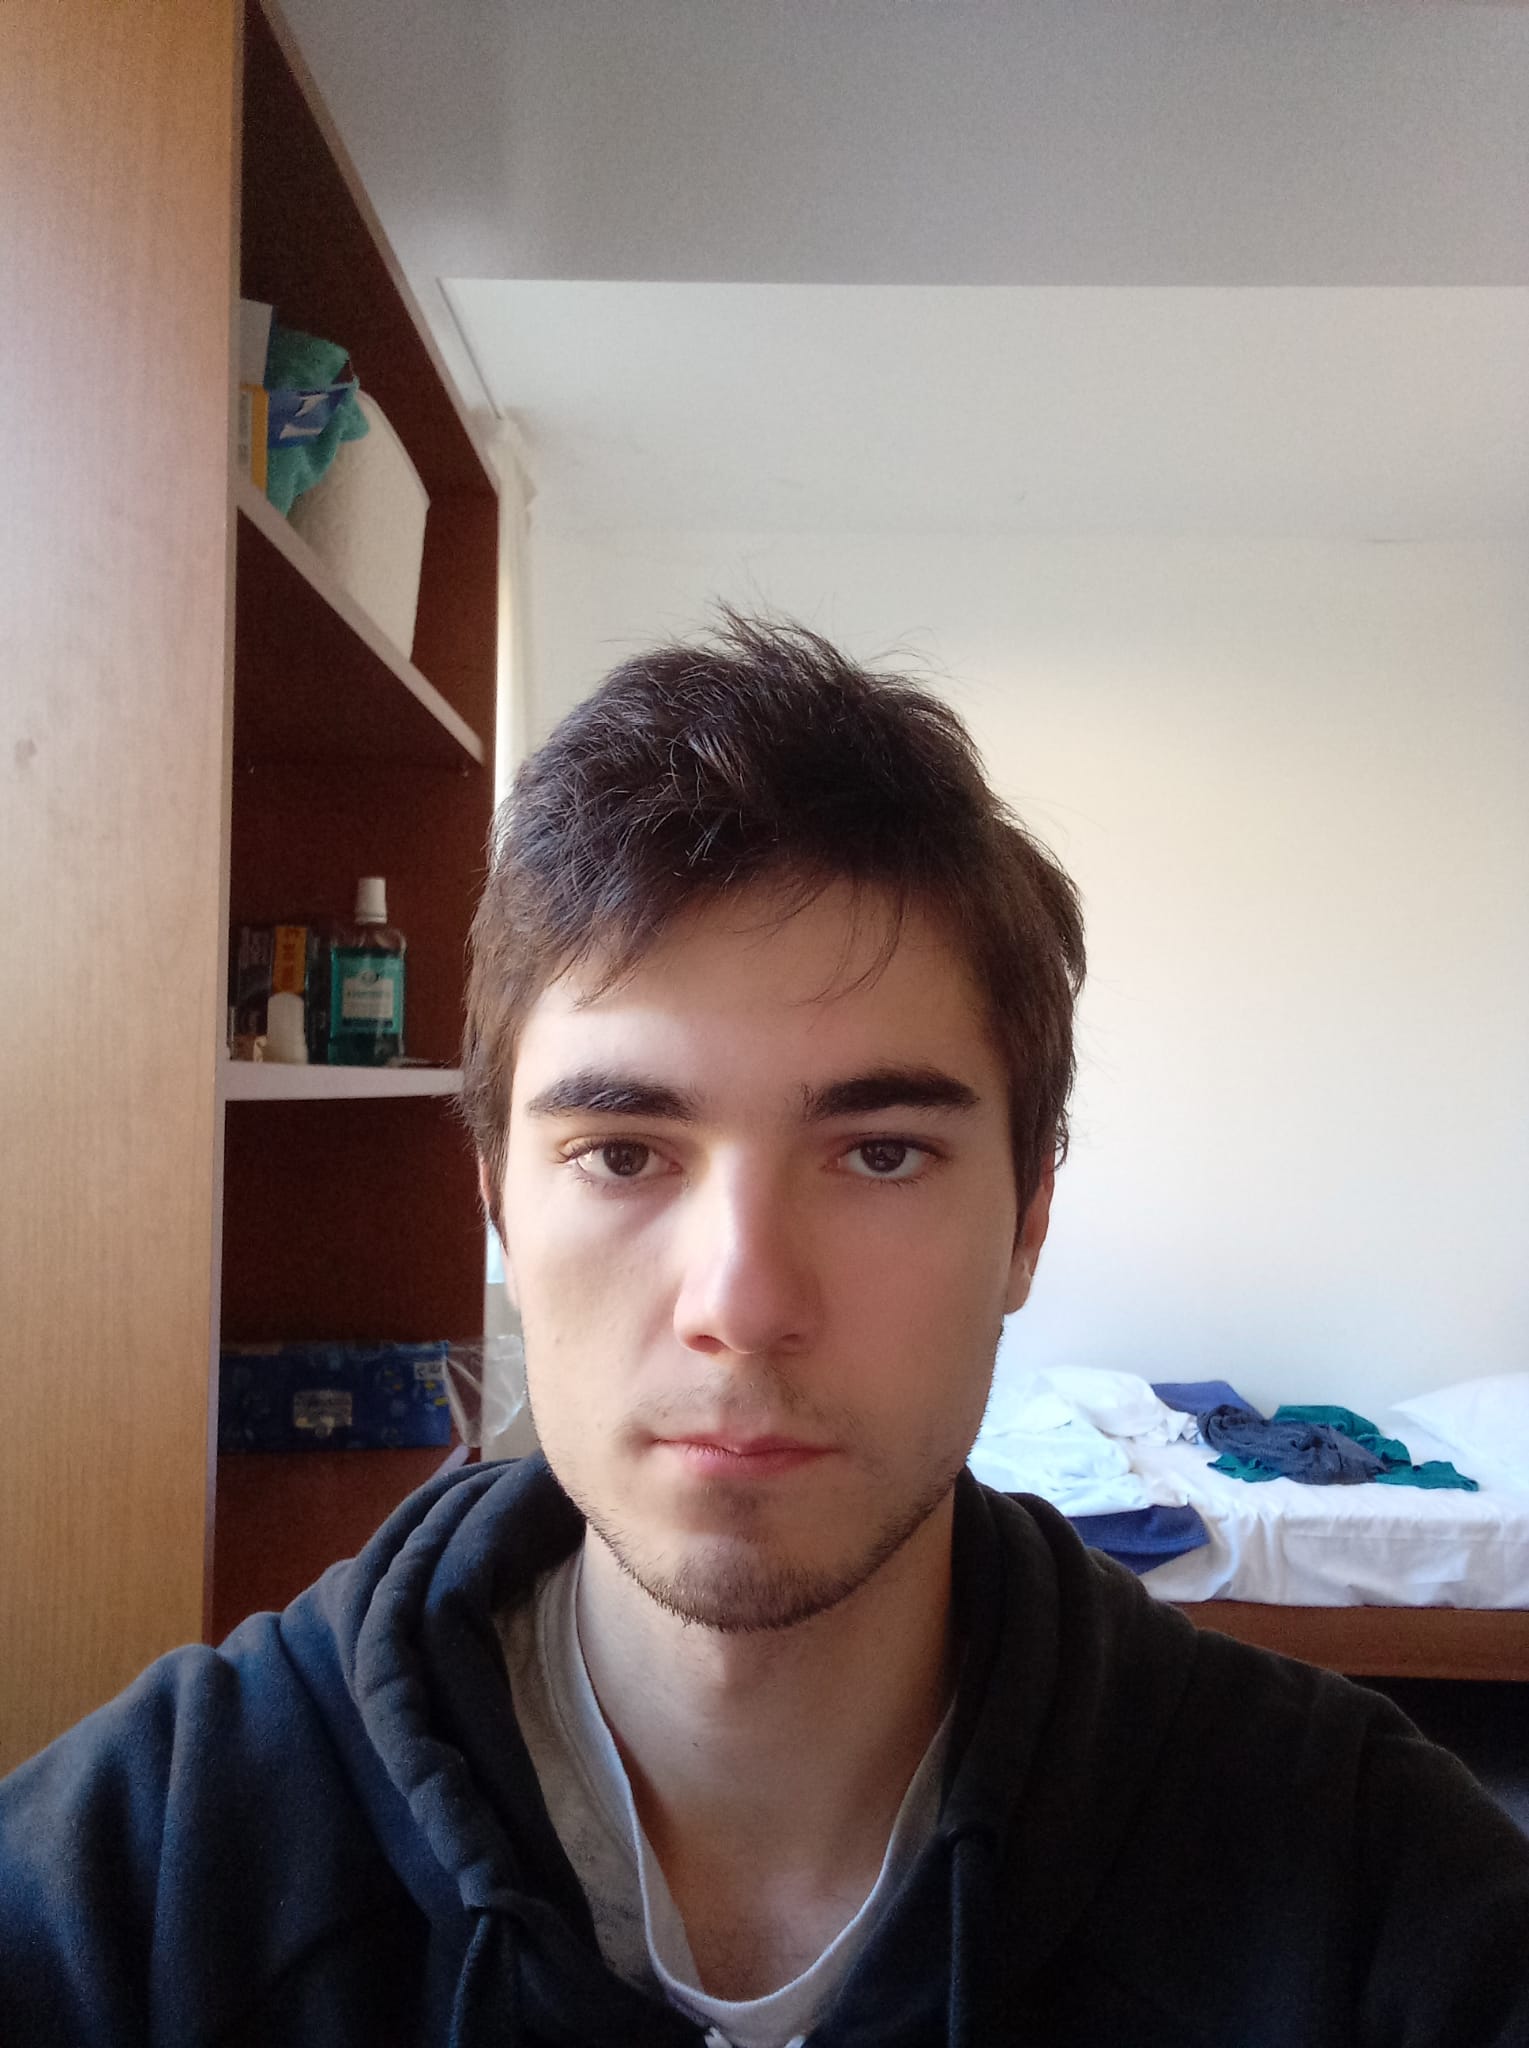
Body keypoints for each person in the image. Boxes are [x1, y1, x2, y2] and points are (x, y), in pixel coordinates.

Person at [2, 613, 1526, 2048]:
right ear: (497, 1206)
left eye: (880, 1154)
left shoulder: (1365, 1885)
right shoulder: (156, 1869)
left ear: (1026, 1223)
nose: (739, 1303)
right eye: (621, 1152)